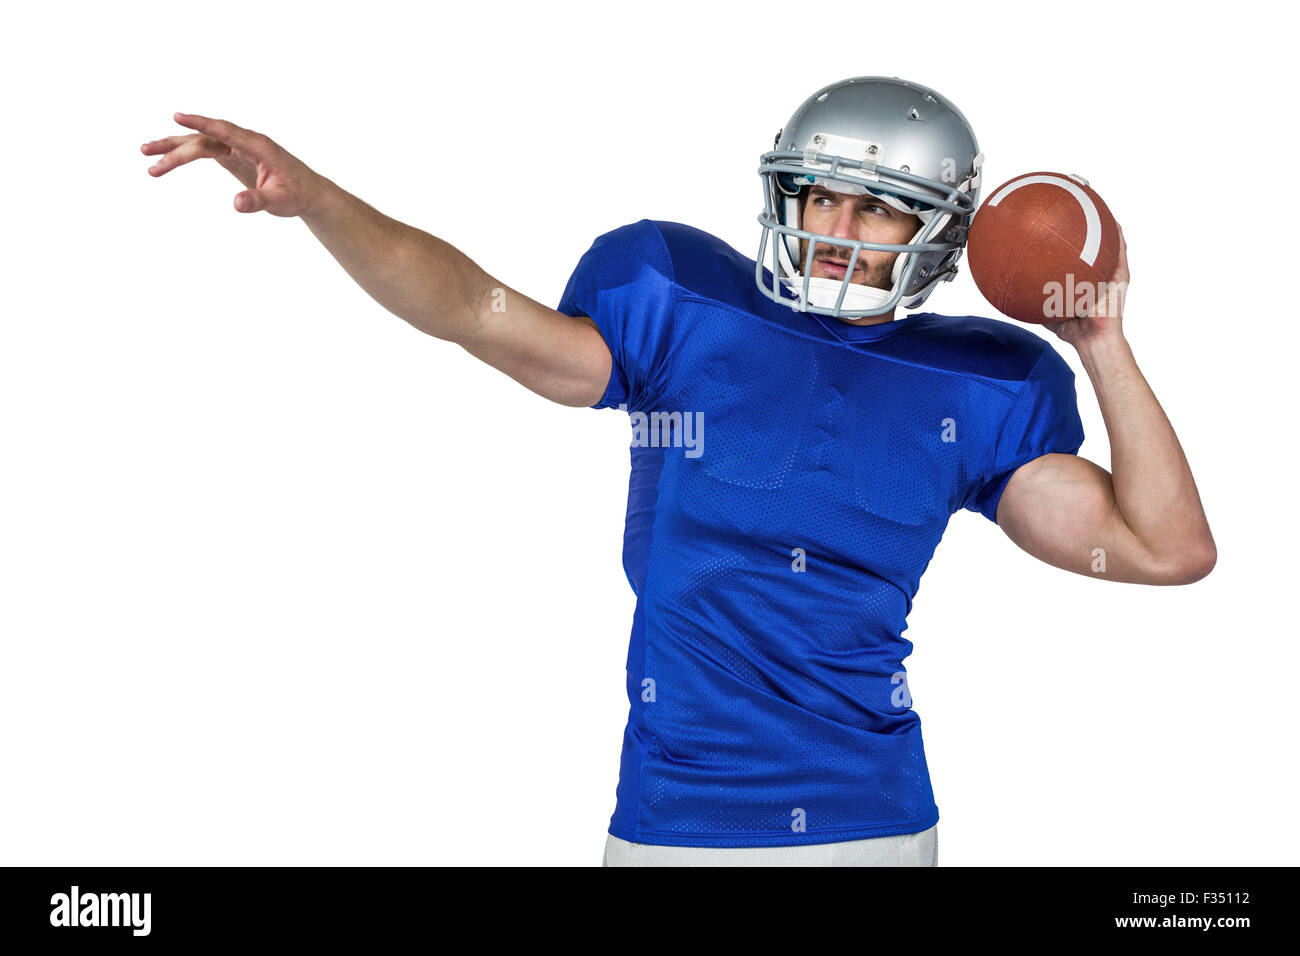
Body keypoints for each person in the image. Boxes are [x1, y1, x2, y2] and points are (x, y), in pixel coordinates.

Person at [141, 76, 1216, 867]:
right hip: (668, 813)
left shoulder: (981, 382)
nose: (836, 231)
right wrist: (320, 201)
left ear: (934, 232)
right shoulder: (679, 299)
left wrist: (1102, 339)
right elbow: (471, 306)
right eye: (817, 194)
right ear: (779, 194)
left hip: (871, 820)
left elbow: (1166, 550)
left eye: (876, 207)